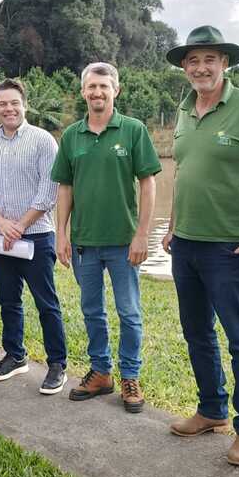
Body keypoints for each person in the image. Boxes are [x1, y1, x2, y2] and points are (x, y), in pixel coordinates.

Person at [161, 26, 239, 467]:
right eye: (193, 61)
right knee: (196, 333)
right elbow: (185, 173)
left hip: (229, 249)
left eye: (209, 59)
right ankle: (211, 409)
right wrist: (174, 225)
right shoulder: (184, 110)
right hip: (187, 246)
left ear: (225, 64)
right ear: (184, 68)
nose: (201, 68)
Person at [51, 62, 160, 413]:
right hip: (84, 243)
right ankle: (100, 372)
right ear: (83, 91)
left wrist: (142, 234)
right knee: (91, 310)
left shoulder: (133, 130)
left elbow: (148, 184)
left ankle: (130, 376)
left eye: (104, 86)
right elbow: (65, 188)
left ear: (116, 90)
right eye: (91, 87)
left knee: (129, 312)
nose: (97, 92)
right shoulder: (71, 136)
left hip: (123, 243)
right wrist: (61, 234)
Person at [0, 78, 67, 394]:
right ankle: (15, 356)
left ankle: (57, 364)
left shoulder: (43, 141)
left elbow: (49, 189)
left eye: (14, 102)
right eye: (2, 104)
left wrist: (21, 225)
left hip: (38, 236)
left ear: (24, 105)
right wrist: (1, 222)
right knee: (7, 299)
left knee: (46, 302)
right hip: (0, 239)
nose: (9, 108)